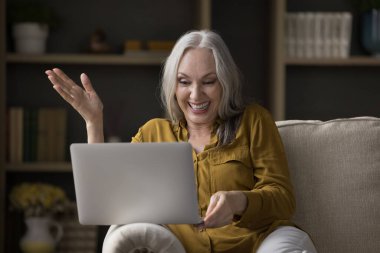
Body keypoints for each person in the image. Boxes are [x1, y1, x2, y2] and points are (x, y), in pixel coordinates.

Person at [45, 30, 317, 253]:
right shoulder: (153, 133)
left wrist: (238, 202)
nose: (196, 94)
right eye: (184, 82)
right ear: (173, 87)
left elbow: (283, 199)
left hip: (257, 244)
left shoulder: (254, 121)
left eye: (209, 81)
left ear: (225, 82)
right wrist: (94, 122)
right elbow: (109, 202)